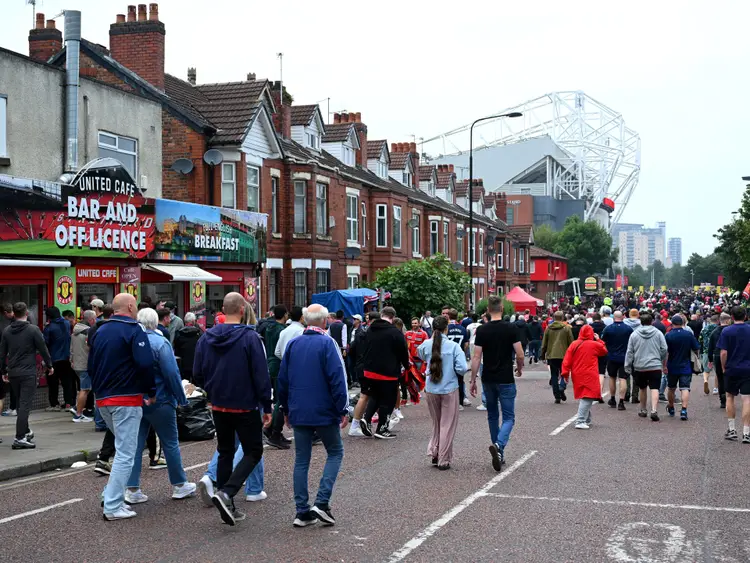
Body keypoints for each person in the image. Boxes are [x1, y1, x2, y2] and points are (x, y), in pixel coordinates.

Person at [193, 292, 272, 526]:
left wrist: (211, 388)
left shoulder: (205, 338)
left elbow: (196, 372)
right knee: (254, 451)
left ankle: (228, 503)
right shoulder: (250, 338)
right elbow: (261, 375)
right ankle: (227, 493)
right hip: (245, 403)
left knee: (225, 450)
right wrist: (266, 405)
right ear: (241, 310)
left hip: (218, 403)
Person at [278, 304, 348, 527]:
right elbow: (338, 378)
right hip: (324, 409)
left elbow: (283, 380)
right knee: (335, 452)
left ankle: (301, 510)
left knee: (301, 460)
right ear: (325, 320)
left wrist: (285, 410)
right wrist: (342, 408)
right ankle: (322, 501)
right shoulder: (328, 343)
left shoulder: (293, 343)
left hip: (299, 408)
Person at [88, 293, 156, 521]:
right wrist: (151, 391)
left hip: (102, 398)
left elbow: (90, 366)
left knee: (122, 449)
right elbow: (146, 363)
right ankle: (113, 505)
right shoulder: (134, 330)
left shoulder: (99, 331)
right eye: (134, 306)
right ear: (129, 306)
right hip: (126, 398)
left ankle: (110, 493)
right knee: (126, 452)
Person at [124, 307, 195, 504]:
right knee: (170, 443)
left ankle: (132, 489)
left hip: (136, 400)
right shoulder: (160, 343)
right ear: (156, 323)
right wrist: (182, 399)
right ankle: (179, 485)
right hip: (161, 400)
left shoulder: (130, 342)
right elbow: (171, 374)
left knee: (135, 446)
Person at [470, 295, 523, 471]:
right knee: (508, 416)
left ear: (487, 310)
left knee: (492, 415)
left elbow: (477, 356)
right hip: (506, 377)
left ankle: (499, 451)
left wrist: (472, 379)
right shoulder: (511, 328)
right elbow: (520, 353)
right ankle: (499, 446)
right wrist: (520, 367)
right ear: (502, 309)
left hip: (488, 378)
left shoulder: (482, 330)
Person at [0, 302, 53, 448]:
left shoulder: (7, 331)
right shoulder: (33, 330)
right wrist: (49, 365)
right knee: (24, 406)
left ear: (14, 314)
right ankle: (20, 438)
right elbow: (43, 349)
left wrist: (3, 371)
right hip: (28, 372)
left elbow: (2, 353)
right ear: (27, 314)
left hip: (13, 372)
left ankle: (26, 430)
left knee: (19, 403)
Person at [418, 315, 467, 470]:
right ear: (447, 328)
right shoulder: (453, 347)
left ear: (432, 329)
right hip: (449, 388)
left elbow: (420, 355)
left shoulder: (426, 345)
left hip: (431, 388)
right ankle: (443, 459)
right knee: (447, 424)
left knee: (437, 423)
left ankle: (434, 452)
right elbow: (462, 368)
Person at [358, 306, 410, 439]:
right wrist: (407, 366)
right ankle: (382, 428)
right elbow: (402, 352)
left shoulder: (369, 329)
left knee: (375, 395)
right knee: (388, 399)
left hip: (369, 370)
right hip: (388, 372)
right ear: (392, 317)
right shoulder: (395, 333)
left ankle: (366, 417)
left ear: (381, 315)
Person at [561, 324, 607, 429]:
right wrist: (599, 340)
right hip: (590, 373)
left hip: (577, 373)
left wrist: (565, 373)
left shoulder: (574, 344)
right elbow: (604, 351)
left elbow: (567, 360)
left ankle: (586, 418)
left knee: (585, 395)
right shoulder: (594, 344)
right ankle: (580, 420)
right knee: (588, 396)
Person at [624, 313, 667, 422]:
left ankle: (643, 409)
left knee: (642, 388)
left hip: (639, 365)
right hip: (655, 365)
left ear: (640, 322)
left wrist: (627, 365)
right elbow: (664, 348)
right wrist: (660, 358)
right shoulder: (658, 333)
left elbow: (630, 351)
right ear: (652, 321)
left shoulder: (634, 334)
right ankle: (654, 410)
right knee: (655, 388)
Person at [718, 306, 750, 442]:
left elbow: (723, 352)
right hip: (748, 369)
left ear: (731, 317)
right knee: (747, 399)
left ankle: (732, 430)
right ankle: (746, 432)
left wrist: (723, 366)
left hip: (731, 368)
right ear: (745, 316)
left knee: (730, 397)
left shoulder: (726, 331)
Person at [265, 304, 291, 450]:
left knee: (277, 398)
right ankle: (274, 431)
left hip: (270, 362)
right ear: (285, 315)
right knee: (281, 399)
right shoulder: (282, 330)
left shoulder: (269, 328)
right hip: (279, 363)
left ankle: (275, 431)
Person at [665, 315, 700, 420]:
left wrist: (664, 365)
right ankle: (684, 409)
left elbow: (665, 352)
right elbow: (696, 348)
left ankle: (671, 407)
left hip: (672, 365)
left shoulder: (668, 335)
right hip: (686, 365)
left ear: (672, 324)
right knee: (685, 388)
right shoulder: (688, 334)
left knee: (671, 388)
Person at [44, 306, 75, 413]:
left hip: (54, 358)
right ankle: (68, 403)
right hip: (66, 358)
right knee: (67, 382)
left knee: (53, 383)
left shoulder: (49, 328)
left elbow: (45, 343)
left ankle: (54, 404)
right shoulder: (67, 323)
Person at [601, 311, 634, 411]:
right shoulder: (628, 329)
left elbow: (603, 341)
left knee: (612, 377)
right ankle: (621, 401)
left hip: (611, 356)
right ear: (623, 317)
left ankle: (612, 398)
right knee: (623, 379)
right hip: (624, 357)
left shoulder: (608, 328)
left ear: (613, 317)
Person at [541, 311, 574, 404]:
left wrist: (542, 355)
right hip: (564, 355)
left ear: (554, 318)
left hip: (551, 355)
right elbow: (571, 342)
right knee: (564, 373)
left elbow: (544, 343)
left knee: (554, 375)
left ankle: (557, 396)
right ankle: (562, 387)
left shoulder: (548, 328)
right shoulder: (567, 328)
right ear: (562, 317)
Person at [71, 310, 97, 422]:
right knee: (84, 389)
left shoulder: (75, 331)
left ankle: (78, 409)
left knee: (84, 388)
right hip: (85, 364)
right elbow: (90, 348)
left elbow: (71, 349)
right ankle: (78, 413)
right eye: (94, 319)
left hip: (76, 364)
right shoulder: (87, 332)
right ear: (91, 319)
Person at [445, 309, 470, 408]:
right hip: (459, 356)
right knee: (460, 380)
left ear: (449, 316)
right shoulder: (463, 329)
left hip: (448, 356)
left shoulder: (446, 328)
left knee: (447, 379)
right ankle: (460, 402)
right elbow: (466, 344)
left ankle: (448, 402)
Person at [707, 312, 731, 409]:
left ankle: (723, 399)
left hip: (717, 355)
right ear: (727, 320)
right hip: (729, 355)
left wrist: (710, 359)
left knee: (720, 377)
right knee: (729, 377)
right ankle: (729, 396)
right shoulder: (730, 331)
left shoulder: (714, 332)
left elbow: (710, 347)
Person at [173, 312, 202, 386]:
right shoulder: (199, 334)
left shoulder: (178, 334)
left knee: (184, 386)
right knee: (197, 387)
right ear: (193, 322)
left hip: (183, 365)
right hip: (196, 364)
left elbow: (176, 351)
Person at [0, 302, 17, 417]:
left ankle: (14, 407)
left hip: (14, 359)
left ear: (5, 313)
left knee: (14, 384)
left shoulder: (13, 325)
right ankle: (14, 407)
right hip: (15, 359)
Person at [700, 315, 719, 395]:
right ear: (718, 320)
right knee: (717, 371)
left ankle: (705, 380)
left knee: (706, 370)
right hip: (716, 351)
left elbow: (700, 339)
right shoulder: (718, 328)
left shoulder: (704, 329)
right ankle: (715, 388)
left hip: (706, 351)